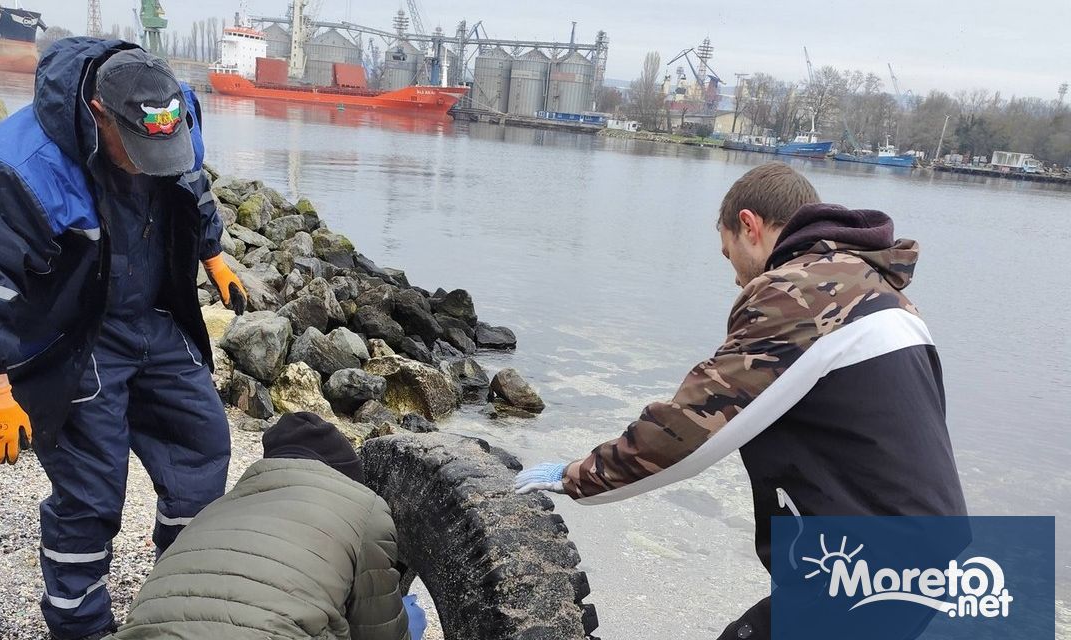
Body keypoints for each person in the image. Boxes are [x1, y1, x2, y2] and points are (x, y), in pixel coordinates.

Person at [514, 162, 967, 639]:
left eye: (728, 253)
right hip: (920, 552)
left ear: (749, 226)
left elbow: (689, 430)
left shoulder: (799, 295)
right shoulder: (885, 295)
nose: (734, 276)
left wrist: (576, 475)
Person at [0, 38, 247, 640]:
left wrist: (212, 254)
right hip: (77, 334)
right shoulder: (31, 168)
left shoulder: (169, 116)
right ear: (100, 113)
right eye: (138, 152)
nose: (150, 161)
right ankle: (80, 625)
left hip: (153, 319)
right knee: (92, 496)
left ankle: (180, 595)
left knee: (204, 444)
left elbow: (192, 186)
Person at [107, 412, 424, 640]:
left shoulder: (214, 511)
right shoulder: (365, 507)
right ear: (345, 474)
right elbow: (380, 633)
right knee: (411, 618)